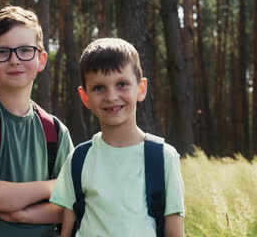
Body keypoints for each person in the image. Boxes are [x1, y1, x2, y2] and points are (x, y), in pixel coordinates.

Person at [0, 5, 74, 236]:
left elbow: (72, 204)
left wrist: (21, 214)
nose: (14, 60)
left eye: (25, 50)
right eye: (2, 52)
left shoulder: (56, 131)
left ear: (41, 59)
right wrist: (51, 187)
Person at [50, 38, 185, 237]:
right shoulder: (79, 158)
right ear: (85, 96)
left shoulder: (163, 157)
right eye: (99, 87)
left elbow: (175, 232)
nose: (111, 96)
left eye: (122, 84)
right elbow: (68, 228)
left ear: (141, 89)